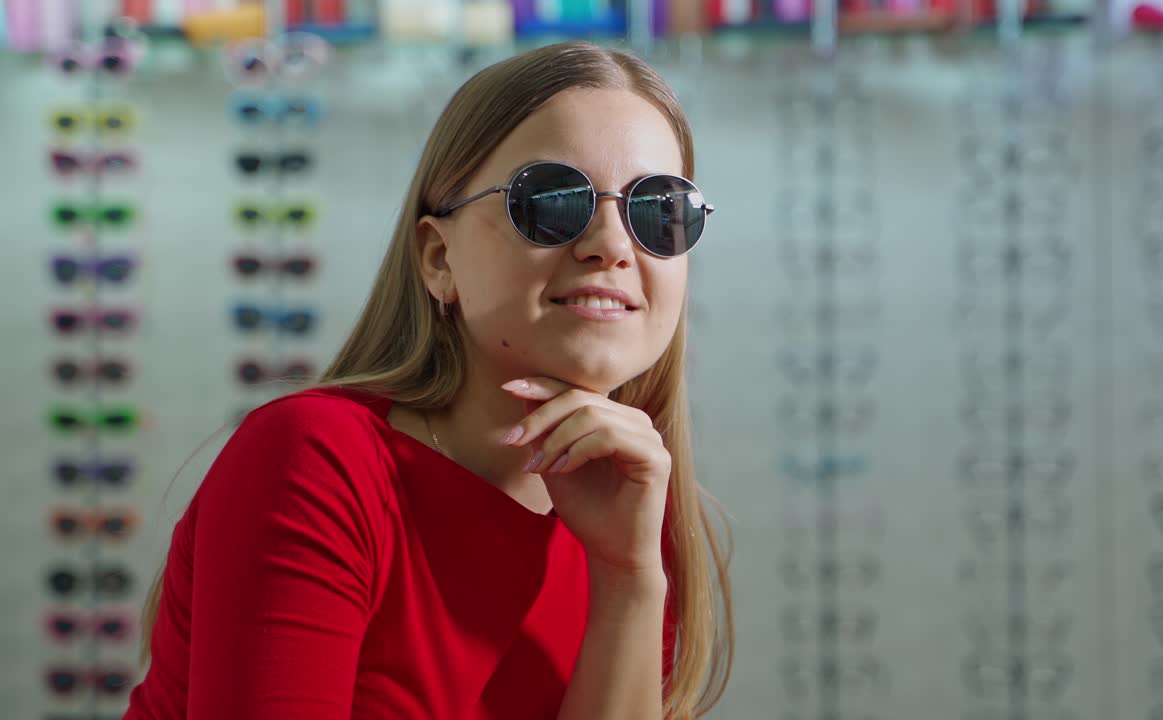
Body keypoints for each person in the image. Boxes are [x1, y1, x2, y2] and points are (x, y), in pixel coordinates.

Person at [122, 41, 733, 719]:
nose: (613, 246)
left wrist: (629, 579)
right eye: (554, 202)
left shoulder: (633, 516)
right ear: (438, 257)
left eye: (657, 210)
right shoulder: (316, 460)